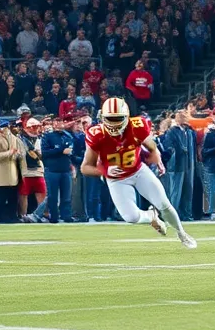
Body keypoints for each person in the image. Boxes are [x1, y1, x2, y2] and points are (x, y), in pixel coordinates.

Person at [81, 98, 196, 248]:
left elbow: (151, 146)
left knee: (164, 204)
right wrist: (104, 171)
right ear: (102, 118)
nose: (114, 124)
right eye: (110, 119)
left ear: (126, 117)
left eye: (118, 118)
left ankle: (182, 233)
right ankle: (150, 216)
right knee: (131, 217)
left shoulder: (137, 126)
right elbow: (85, 167)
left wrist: (157, 157)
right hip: (117, 179)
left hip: (138, 171)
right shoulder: (97, 134)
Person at [40, 116, 75, 223]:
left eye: (61, 122)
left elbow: (71, 152)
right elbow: (45, 153)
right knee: (52, 195)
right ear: (53, 123)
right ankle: (53, 216)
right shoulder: (48, 137)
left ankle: (67, 216)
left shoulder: (68, 135)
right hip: (52, 169)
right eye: (57, 121)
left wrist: (72, 165)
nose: (59, 124)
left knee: (67, 195)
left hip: (65, 169)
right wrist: (60, 150)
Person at [0, 122, 22, 222]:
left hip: (12, 173)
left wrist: (16, 154)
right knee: (1, 199)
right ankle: (0, 218)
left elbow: (18, 154)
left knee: (13, 198)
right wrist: (10, 153)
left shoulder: (14, 138)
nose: (5, 130)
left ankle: (13, 217)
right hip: (0, 174)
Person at [17, 118, 47, 223]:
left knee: (42, 192)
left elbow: (43, 155)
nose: (36, 129)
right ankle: (23, 215)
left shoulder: (41, 139)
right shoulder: (20, 139)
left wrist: (38, 154)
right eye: (34, 127)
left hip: (38, 170)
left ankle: (42, 214)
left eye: (37, 127)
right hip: (25, 170)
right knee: (23, 194)